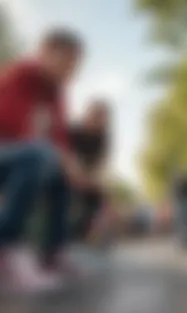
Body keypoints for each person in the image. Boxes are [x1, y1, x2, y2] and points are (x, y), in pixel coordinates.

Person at [0, 28, 88, 291]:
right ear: (44, 53)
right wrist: (58, 153)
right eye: (67, 63)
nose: (71, 71)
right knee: (40, 153)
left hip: (20, 156)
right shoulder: (22, 73)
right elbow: (10, 123)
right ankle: (7, 246)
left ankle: (53, 253)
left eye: (76, 65)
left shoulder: (57, 94)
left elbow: (60, 137)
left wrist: (71, 165)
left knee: (61, 172)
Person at [69, 100, 109, 241]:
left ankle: (82, 231)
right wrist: (77, 174)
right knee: (74, 189)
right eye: (96, 118)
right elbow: (67, 153)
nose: (98, 123)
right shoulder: (74, 131)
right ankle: (69, 229)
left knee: (97, 193)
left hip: (86, 172)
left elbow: (100, 162)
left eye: (102, 119)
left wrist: (95, 179)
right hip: (69, 168)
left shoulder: (102, 137)